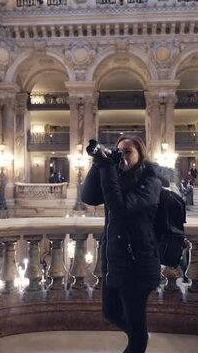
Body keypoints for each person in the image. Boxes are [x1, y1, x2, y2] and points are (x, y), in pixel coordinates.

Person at [81, 135, 162, 353]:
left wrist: (108, 170)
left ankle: (139, 337)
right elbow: (88, 197)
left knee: (136, 335)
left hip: (138, 263)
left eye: (128, 151)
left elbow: (120, 207)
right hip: (115, 259)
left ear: (140, 155)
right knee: (110, 312)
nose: (122, 155)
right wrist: (99, 163)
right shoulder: (113, 175)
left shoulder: (151, 181)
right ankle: (140, 334)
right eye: (120, 151)